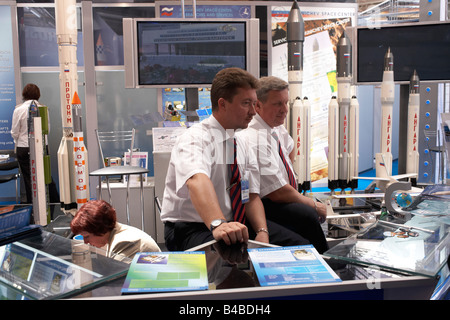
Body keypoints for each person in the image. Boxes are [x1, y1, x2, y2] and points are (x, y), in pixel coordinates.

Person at [160, 67, 309, 251]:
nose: (254, 112)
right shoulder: (195, 138)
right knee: (233, 254)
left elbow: (251, 195)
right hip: (191, 228)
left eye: (254, 104)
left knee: (300, 246)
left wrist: (262, 231)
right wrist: (218, 224)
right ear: (222, 104)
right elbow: (197, 181)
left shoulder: (239, 140)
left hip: (234, 223)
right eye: (246, 103)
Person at [237, 76, 329, 253]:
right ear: (258, 106)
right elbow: (278, 193)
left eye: (286, 102)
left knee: (306, 216)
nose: (285, 110)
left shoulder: (273, 125)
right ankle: (323, 262)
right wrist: (314, 204)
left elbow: (289, 148)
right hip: (266, 203)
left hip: (281, 196)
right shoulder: (254, 138)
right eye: (277, 104)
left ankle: (323, 260)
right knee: (308, 215)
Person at [10, 83, 59, 206]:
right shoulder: (43, 109)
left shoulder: (18, 110)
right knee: (45, 175)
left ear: (24, 94)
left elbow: (14, 132)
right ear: (38, 95)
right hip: (42, 147)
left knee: (29, 179)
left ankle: (33, 207)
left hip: (24, 147)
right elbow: (47, 129)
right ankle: (55, 204)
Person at [70, 200, 160, 261]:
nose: (86, 242)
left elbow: (115, 281)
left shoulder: (123, 243)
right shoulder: (114, 235)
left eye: (86, 236)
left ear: (100, 229)